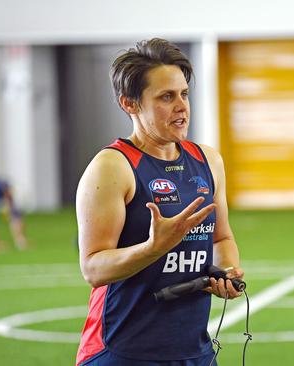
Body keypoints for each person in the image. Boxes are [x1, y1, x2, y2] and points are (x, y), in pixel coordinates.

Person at [75, 38, 243, 366]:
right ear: (130, 103)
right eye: (167, 96)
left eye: (184, 94)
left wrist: (225, 271)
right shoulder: (112, 167)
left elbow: (221, 237)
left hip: (194, 353)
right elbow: (93, 267)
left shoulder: (208, 161)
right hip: (122, 352)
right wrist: (153, 248)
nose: (182, 106)